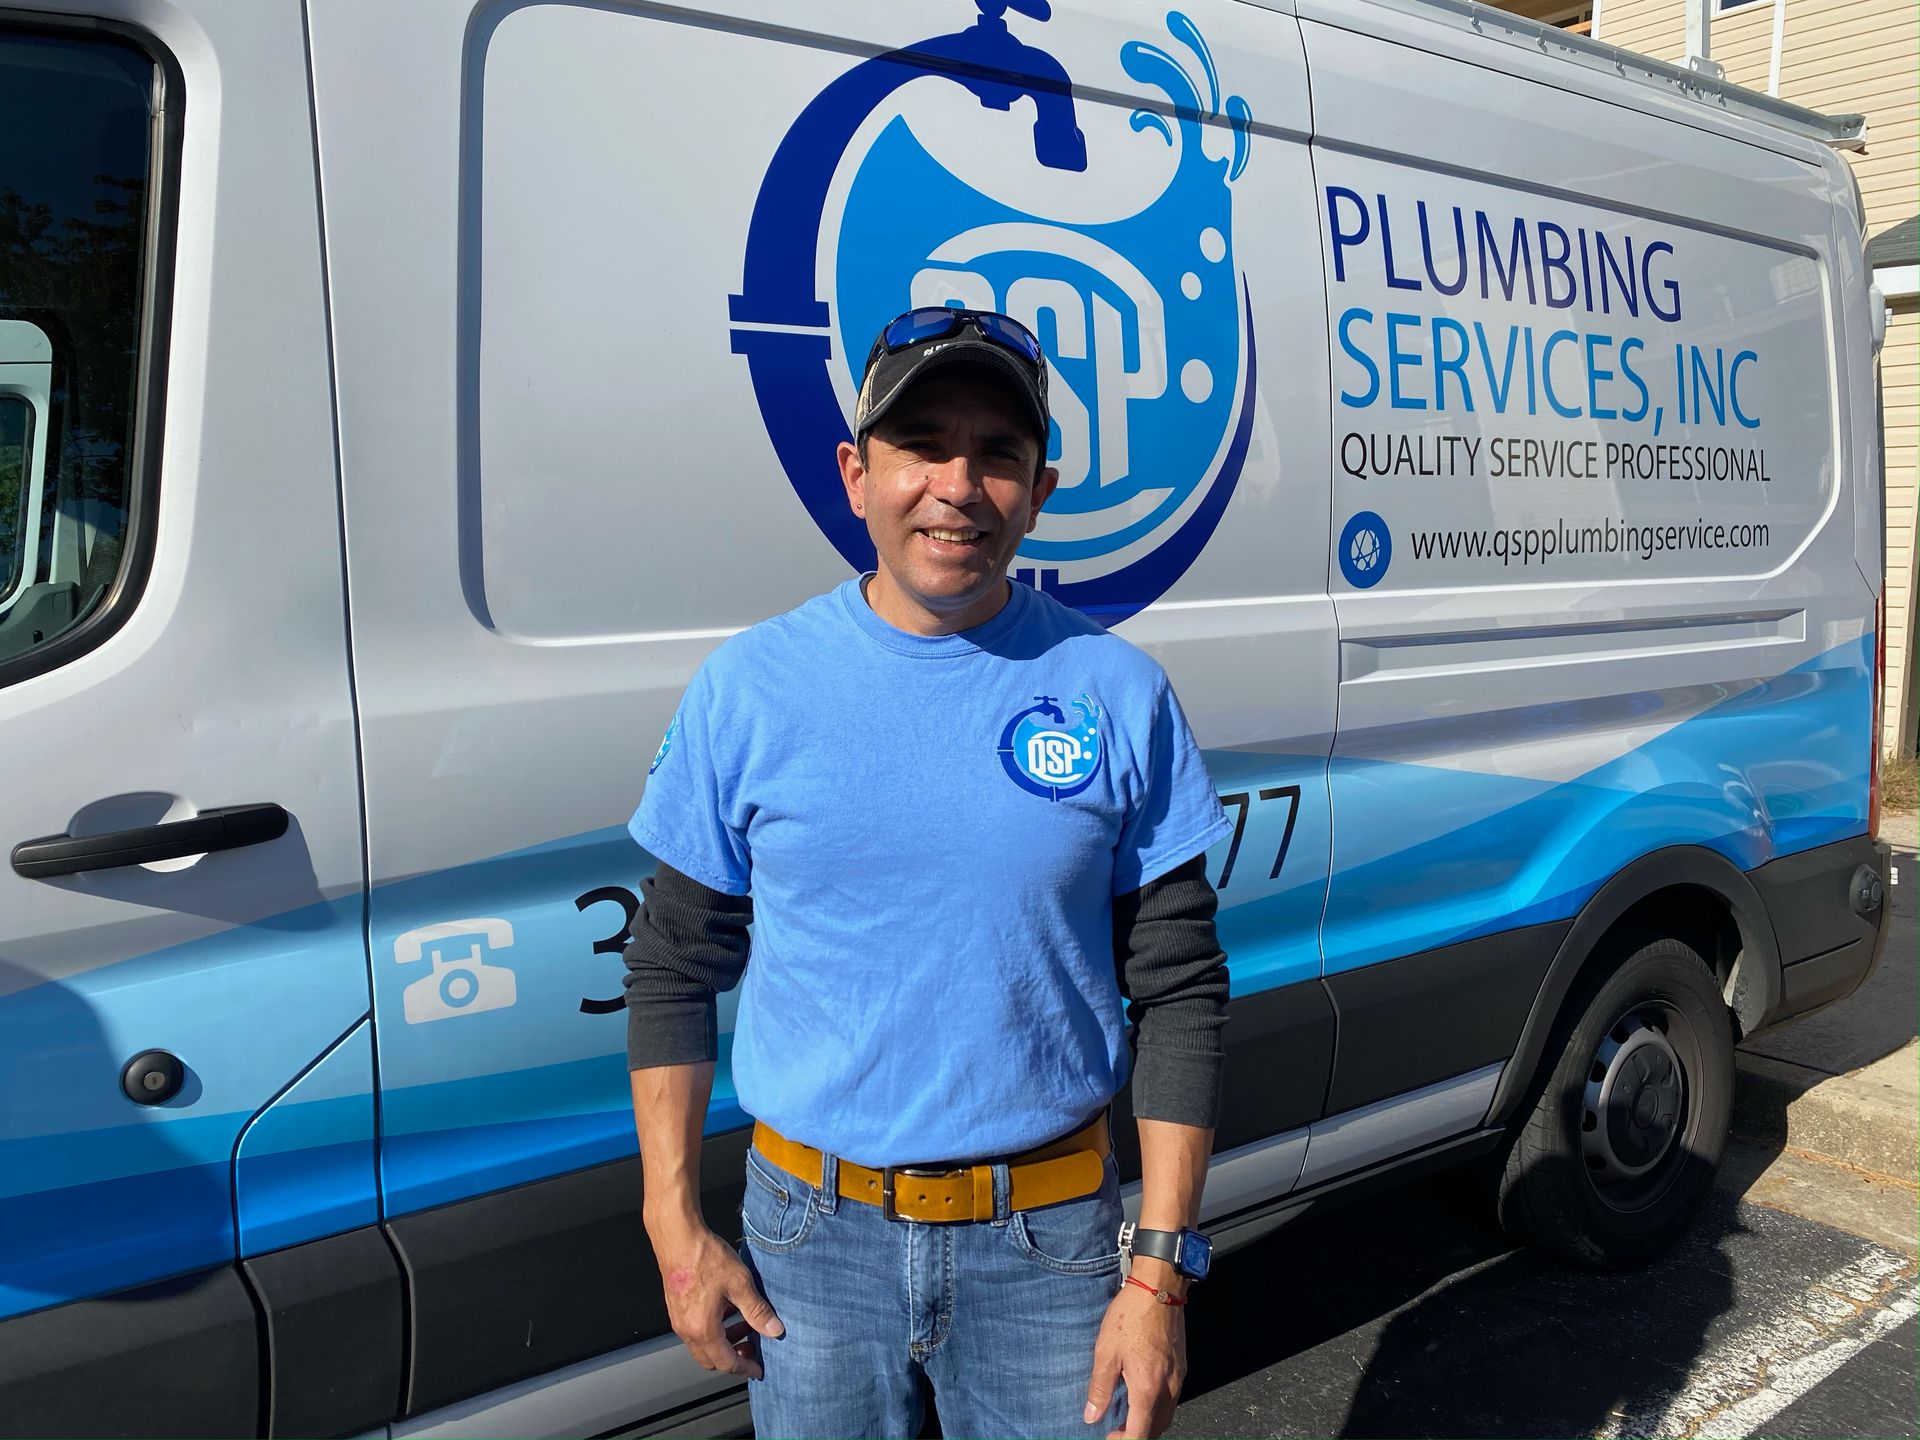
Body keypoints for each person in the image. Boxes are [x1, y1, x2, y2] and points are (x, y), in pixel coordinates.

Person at [623, 307, 1232, 1440]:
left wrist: (1158, 1277)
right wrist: (674, 1226)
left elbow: (1182, 990)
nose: (958, 487)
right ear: (856, 475)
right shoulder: (750, 688)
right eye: (922, 447)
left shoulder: (1116, 691)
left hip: (1047, 1243)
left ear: (1039, 490)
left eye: (997, 454)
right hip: (810, 1246)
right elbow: (672, 969)